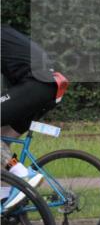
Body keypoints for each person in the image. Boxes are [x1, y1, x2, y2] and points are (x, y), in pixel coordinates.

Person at [1, 25, 65, 208]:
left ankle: (23, 175)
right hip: (47, 86)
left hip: (37, 84)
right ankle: (7, 198)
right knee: (2, 144)